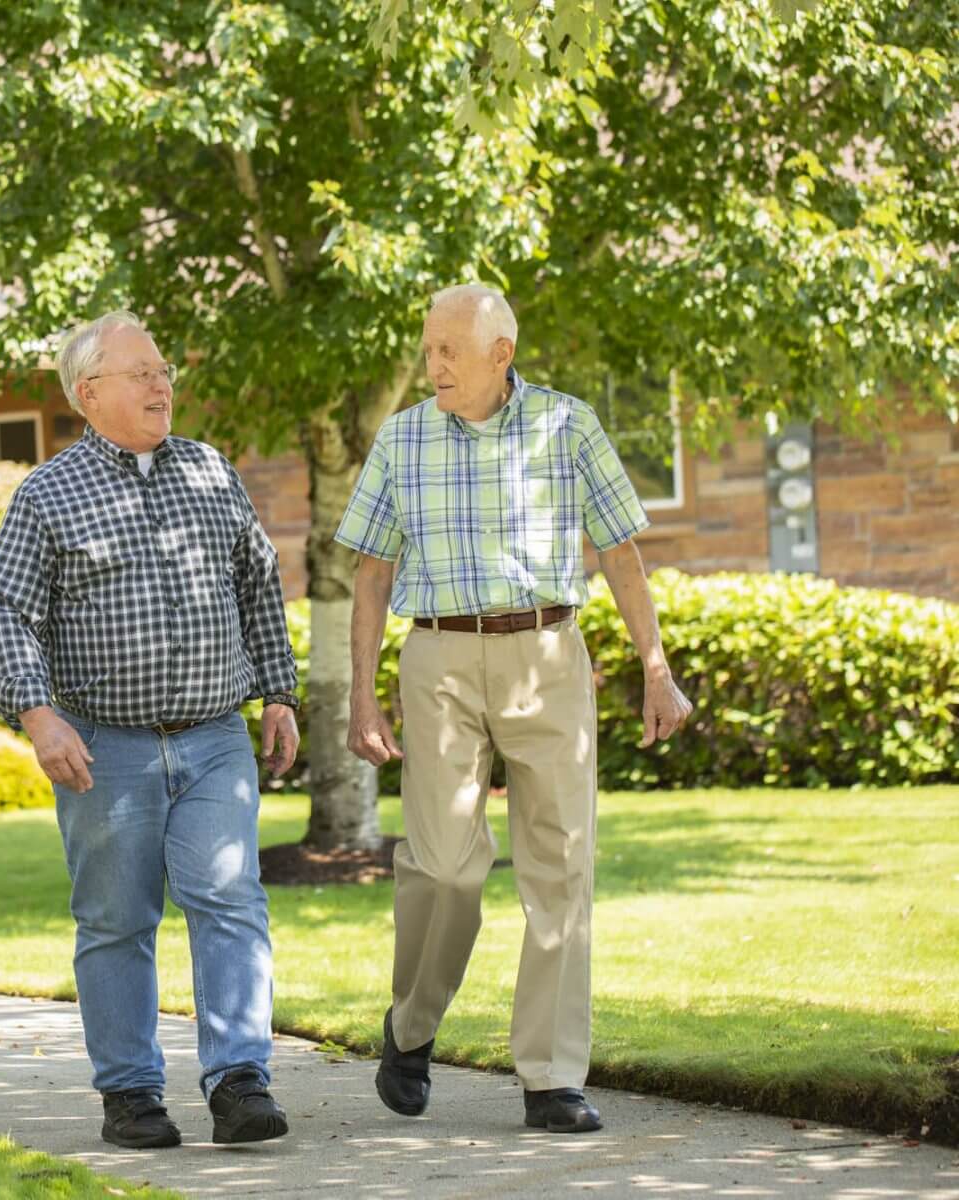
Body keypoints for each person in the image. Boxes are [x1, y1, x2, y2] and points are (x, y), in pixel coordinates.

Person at [340, 284, 695, 1133]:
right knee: (447, 864)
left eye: (447, 351)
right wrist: (361, 693)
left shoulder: (568, 426)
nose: (433, 367)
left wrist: (655, 666)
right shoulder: (403, 435)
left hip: (549, 653)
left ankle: (551, 1076)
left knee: (561, 866)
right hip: (439, 658)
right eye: (429, 349)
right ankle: (413, 1025)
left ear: (501, 353)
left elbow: (620, 551)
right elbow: (372, 572)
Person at [0, 310, 300, 1150]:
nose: (164, 384)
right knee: (117, 919)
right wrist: (36, 712)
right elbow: (8, 608)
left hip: (212, 735)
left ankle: (239, 1080)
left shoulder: (209, 472)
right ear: (90, 393)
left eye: (164, 371)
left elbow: (258, 584)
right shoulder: (47, 495)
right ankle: (130, 1094)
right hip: (104, 746)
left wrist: (278, 692)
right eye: (143, 372)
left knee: (229, 895)